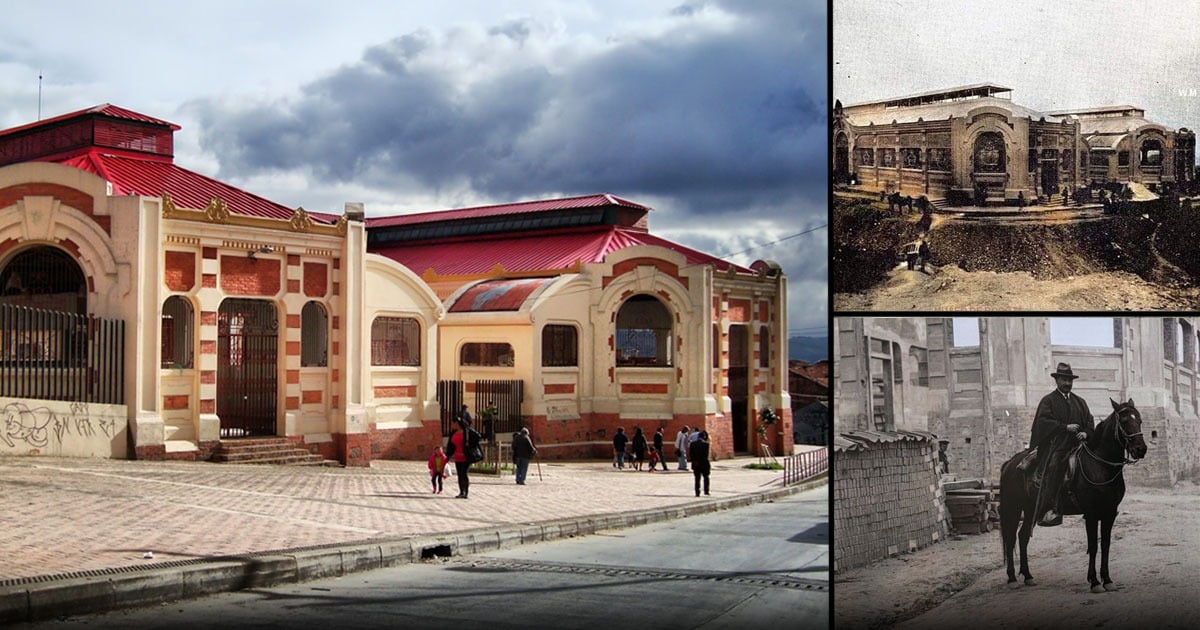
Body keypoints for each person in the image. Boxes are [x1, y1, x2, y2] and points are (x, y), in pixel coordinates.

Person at [1030, 362, 1094, 526]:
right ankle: (1050, 509)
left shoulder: (1080, 402)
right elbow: (1042, 422)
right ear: (1057, 380)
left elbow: (1089, 422)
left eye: (1070, 380)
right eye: (1064, 380)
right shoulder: (1048, 401)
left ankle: (1093, 504)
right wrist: (1064, 427)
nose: (1067, 384)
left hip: (1079, 445)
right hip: (1057, 445)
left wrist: (1086, 432)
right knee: (1054, 466)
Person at [445, 415, 479, 499]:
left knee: (464, 474)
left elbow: (477, 436)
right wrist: (448, 456)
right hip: (457, 457)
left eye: (453, 423)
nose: (452, 425)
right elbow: (450, 445)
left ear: (457, 423)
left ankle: (465, 492)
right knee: (460, 474)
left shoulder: (467, 431)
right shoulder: (453, 433)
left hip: (466, 457)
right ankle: (461, 491)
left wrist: (470, 445)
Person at [689, 431, 712, 497]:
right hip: (704, 464)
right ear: (704, 437)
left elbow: (691, 455)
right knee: (706, 477)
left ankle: (697, 492)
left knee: (697, 478)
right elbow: (706, 455)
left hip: (696, 464)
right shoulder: (706, 444)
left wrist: (695, 461)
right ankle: (706, 491)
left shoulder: (692, 444)